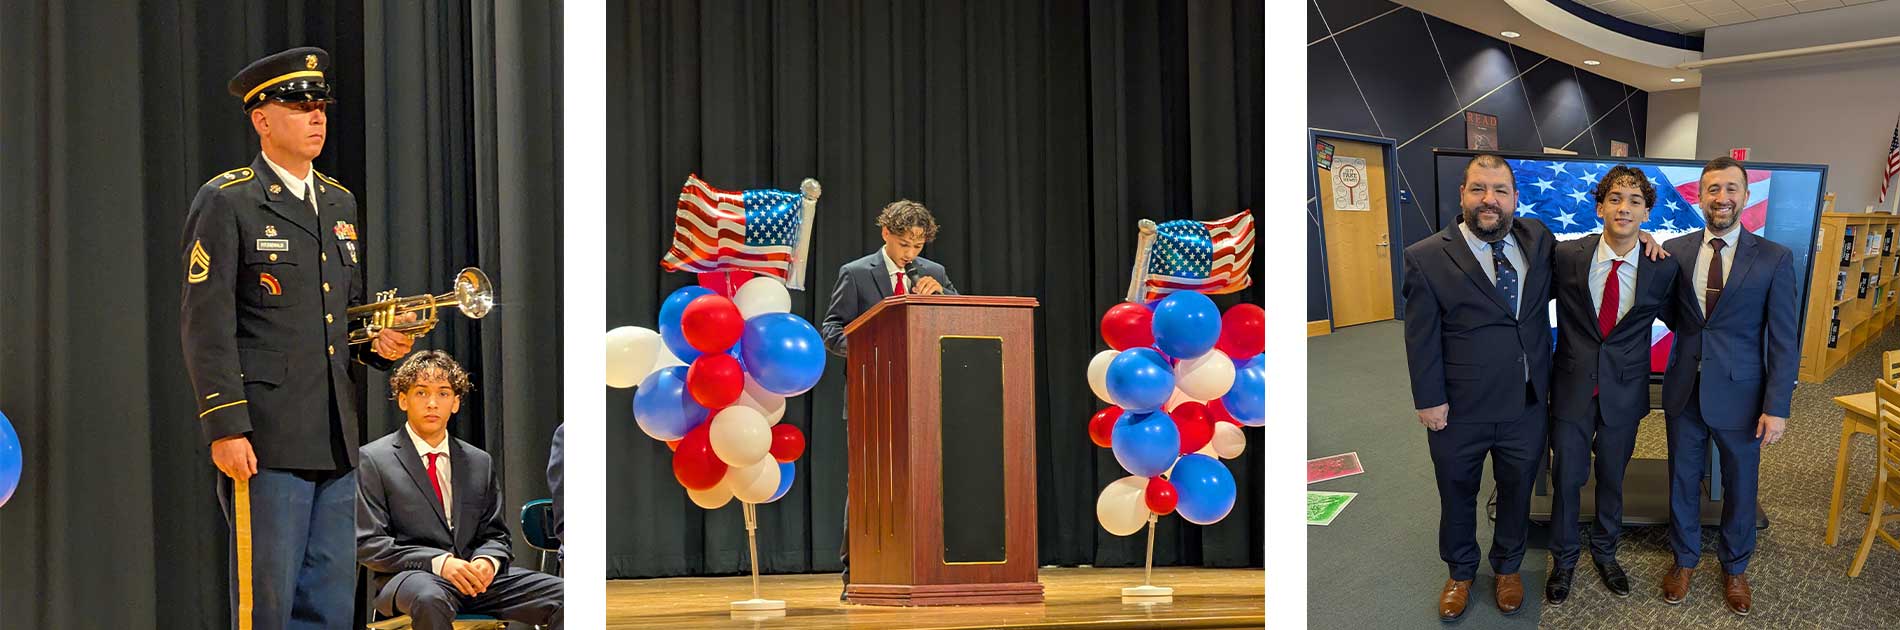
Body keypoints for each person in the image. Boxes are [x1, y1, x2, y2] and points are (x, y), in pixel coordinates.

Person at [179, 46, 415, 628]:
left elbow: (340, 321)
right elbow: (205, 324)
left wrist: (379, 345)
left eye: (320, 106)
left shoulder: (339, 201)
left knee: (332, 602)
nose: (316, 117)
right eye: (298, 105)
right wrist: (226, 426)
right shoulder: (228, 199)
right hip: (266, 437)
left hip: (335, 434)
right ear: (261, 120)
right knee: (269, 603)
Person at [1401, 154, 1554, 621]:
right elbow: (1420, 336)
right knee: (1457, 493)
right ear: (1462, 195)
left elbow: (1591, 254)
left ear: (1515, 198)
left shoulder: (1538, 239)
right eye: (1479, 189)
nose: (1490, 199)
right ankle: (1461, 572)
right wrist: (1428, 400)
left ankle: (1507, 568)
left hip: (1526, 404)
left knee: (1516, 491)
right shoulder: (1426, 256)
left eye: (1500, 190)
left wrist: (1642, 237)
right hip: (1458, 410)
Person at [1656, 156, 1797, 616]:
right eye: (1713, 189)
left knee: (1741, 483)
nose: (1722, 198)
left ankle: (1735, 566)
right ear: (1700, 195)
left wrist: (1777, 406)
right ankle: (1684, 560)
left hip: (1743, 394)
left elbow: (1782, 338)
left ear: (1745, 196)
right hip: (1684, 389)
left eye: (1731, 188)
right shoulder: (1675, 250)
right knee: (1681, 478)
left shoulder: (1774, 258)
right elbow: (1668, 313)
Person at [1544, 165, 1680, 604]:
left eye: (1635, 201)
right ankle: (1563, 560)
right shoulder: (1567, 256)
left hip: (1625, 391)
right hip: (1571, 388)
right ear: (1600, 206)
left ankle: (1605, 552)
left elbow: (1686, 320)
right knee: (1566, 479)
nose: (1624, 207)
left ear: (1646, 213)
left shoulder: (1662, 267)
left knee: (1612, 479)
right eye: (1616, 198)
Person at [356, 351, 564, 629]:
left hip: (475, 579)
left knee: (568, 595)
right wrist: (439, 562)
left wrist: (487, 561)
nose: (432, 403)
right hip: (412, 578)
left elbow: (496, 535)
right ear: (403, 399)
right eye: (421, 393)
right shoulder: (374, 459)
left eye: (443, 393)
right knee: (431, 598)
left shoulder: (478, 461)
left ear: (455, 403)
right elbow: (369, 544)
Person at [818, 199, 958, 598]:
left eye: (917, 246)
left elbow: (961, 320)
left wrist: (941, 297)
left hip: (927, 398)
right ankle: (856, 575)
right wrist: (869, 349)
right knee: (868, 486)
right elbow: (832, 329)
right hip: (872, 395)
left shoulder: (934, 273)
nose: (910, 254)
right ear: (885, 234)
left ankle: (925, 570)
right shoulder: (858, 273)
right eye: (903, 244)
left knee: (929, 482)